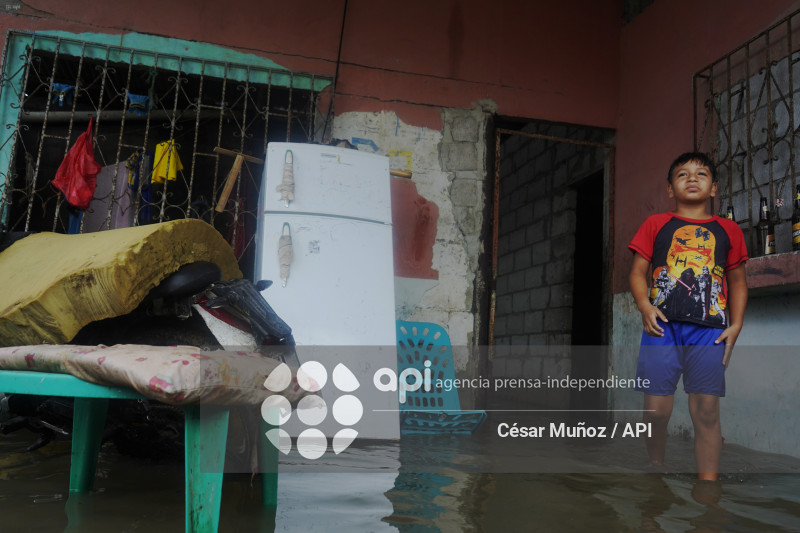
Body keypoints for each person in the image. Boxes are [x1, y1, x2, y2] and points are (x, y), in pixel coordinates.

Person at [628, 152, 748, 481]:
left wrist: (735, 325)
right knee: (655, 411)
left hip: (709, 331)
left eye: (701, 174)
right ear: (670, 189)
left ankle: (707, 488)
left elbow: (738, 282)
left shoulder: (728, 230)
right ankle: (656, 464)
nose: (692, 178)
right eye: (682, 174)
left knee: (706, 410)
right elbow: (638, 273)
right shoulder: (656, 225)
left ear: (714, 189)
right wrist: (644, 305)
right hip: (661, 328)